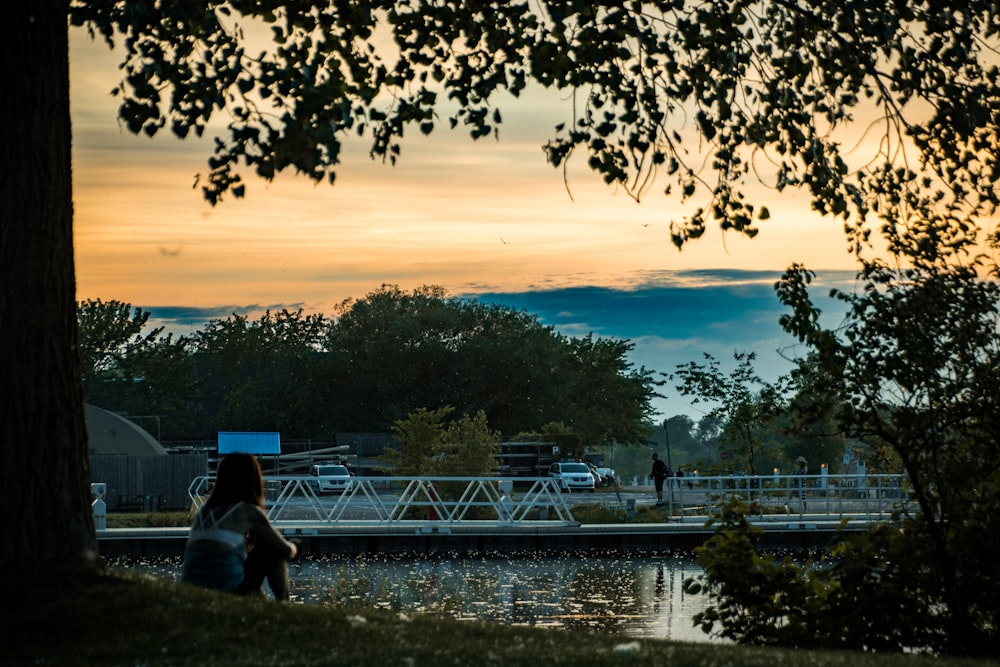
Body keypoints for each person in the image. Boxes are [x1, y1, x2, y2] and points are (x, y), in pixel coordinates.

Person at [181, 452, 299, 600]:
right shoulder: (248, 511)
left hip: (191, 591)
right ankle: (283, 608)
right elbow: (287, 551)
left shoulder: (204, 512)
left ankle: (263, 606)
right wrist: (296, 545)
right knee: (272, 550)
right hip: (226, 591)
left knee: (248, 556)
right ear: (252, 478)